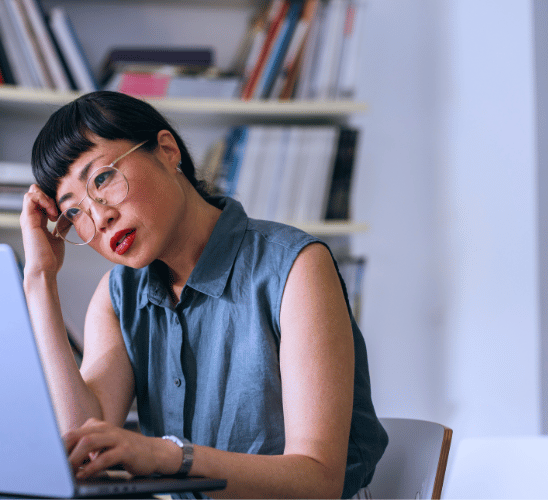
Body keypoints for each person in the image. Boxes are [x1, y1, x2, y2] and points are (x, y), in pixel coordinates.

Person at [21, 90, 387, 499]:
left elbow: (319, 482)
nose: (99, 216)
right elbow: (85, 450)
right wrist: (39, 281)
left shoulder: (295, 268)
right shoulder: (116, 297)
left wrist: (169, 456)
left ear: (167, 150)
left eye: (102, 179)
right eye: (74, 211)